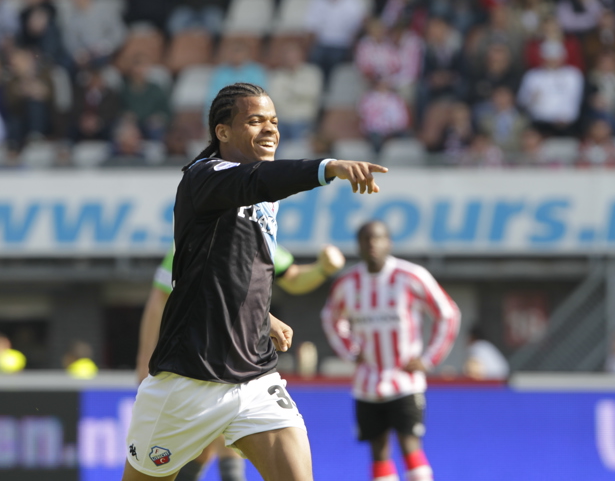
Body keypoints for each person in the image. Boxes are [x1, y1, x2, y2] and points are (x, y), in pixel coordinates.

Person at [123, 82, 387, 481]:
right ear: (222, 131)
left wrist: (263, 318)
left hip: (255, 378)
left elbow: (241, 270)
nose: (270, 130)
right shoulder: (204, 176)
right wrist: (327, 167)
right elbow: (257, 180)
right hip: (188, 380)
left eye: (274, 121)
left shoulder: (262, 196)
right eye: (255, 121)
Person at [136, 242, 347, 481]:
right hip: (191, 367)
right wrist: (145, 360)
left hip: (245, 369)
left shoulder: (259, 235)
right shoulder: (194, 238)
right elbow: (162, 299)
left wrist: (322, 269)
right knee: (203, 452)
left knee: (229, 445)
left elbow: (293, 278)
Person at [321, 220, 460, 481]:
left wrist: (429, 359)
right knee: (378, 451)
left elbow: (448, 313)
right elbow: (330, 317)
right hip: (367, 383)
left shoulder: (411, 276)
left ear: (389, 243)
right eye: (366, 239)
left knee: (410, 446)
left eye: (378, 238)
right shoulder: (348, 282)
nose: (372, 244)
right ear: (358, 245)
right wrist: (350, 351)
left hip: (405, 380)